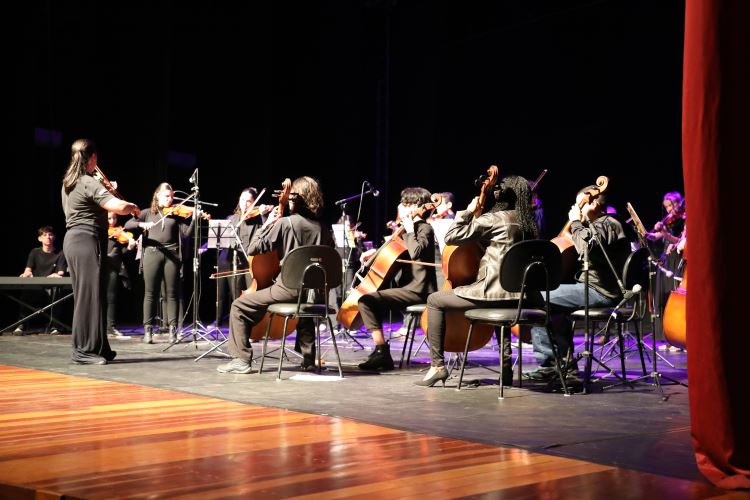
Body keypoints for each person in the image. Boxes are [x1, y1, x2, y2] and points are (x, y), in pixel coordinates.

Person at [417, 176, 538, 387]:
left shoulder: (494, 219)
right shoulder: (529, 223)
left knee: (435, 300)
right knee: (502, 308)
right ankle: (506, 371)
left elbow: (452, 236)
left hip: (493, 293)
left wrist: (469, 212)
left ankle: (437, 366)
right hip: (521, 297)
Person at [217, 176, 335, 374]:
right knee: (304, 306)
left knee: (238, 306)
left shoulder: (285, 223)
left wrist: (268, 224)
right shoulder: (323, 228)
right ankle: (308, 359)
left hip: (287, 289)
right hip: (314, 293)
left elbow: (253, 248)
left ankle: (241, 359)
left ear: (294, 198)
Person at [525, 183, 630, 382]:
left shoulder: (608, 223)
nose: (577, 209)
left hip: (600, 291)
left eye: (580, 205)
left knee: (536, 297)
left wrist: (575, 222)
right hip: (596, 288)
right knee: (553, 306)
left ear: (594, 203)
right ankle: (564, 364)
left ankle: (550, 365)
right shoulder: (601, 225)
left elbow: (585, 249)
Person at [61, 138, 140, 364]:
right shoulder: (87, 181)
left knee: (95, 295)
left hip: (77, 240)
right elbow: (117, 207)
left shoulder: (69, 182)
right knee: (88, 297)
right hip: (86, 240)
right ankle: (83, 351)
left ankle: (99, 347)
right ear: (93, 157)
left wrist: (105, 190)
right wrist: (132, 207)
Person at [356, 187, 438, 371]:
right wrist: (373, 253)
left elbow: (416, 252)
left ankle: (382, 352)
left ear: (416, 206)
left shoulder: (425, 228)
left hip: (419, 290)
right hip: (408, 288)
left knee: (366, 301)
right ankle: (380, 351)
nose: (400, 206)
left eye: (405, 203)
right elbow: (393, 253)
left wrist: (409, 229)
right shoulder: (405, 231)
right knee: (370, 299)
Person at [124, 183, 195, 343]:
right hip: (152, 253)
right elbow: (128, 225)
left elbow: (186, 234)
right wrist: (141, 224)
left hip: (172, 255)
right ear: (157, 196)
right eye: (166, 196)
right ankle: (148, 331)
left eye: (171, 197)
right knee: (150, 293)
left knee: (172, 294)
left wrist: (194, 220)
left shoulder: (176, 214)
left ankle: (173, 331)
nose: (170, 199)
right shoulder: (147, 213)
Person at [214, 187, 270, 325]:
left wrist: (264, 215)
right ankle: (238, 323)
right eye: (242, 200)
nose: (245, 204)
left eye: (248, 201)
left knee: (251, 294)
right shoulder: (232, 219)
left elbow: (267, 232)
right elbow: (222, 241)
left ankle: (254, 324)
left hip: (252, 262)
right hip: (235, 261)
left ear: (254, 202)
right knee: (236, 294)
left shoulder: (258, 219)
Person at [645, 191, 686, 347]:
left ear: (679, 203)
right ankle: (668, 336)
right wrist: (646, 234)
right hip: (667, 259)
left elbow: (679, 241)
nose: (669, 210)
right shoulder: (670, 221)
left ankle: (678, 335)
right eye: (666, 207)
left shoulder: (683, 220)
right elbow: (656, 237)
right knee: (663, 296)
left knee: (674, 297)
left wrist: (664, 232)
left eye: (671, 205)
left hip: (677, 259)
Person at [12, 226, 68, 335]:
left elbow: (61, 272)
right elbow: (28, 269)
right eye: (45, 235)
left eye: (50, 235)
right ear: (40, 239)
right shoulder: (34, 252)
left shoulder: (60, 253)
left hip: (51, 287)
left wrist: (56, 275)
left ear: (54, 237)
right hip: (36, 286)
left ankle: (54, 326)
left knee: (57, 290)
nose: (48, 237)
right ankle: (21, 325)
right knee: (26, 290)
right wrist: (27, 274)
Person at [105, 212, 137, 337]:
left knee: (111, 297)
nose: (112, 221)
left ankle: (110, 326)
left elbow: (122, 253)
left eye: (114, 218)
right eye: (109, 218)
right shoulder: (98, 231)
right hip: (97, 266)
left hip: (113, 267)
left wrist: (129, 247)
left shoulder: (118, 233)